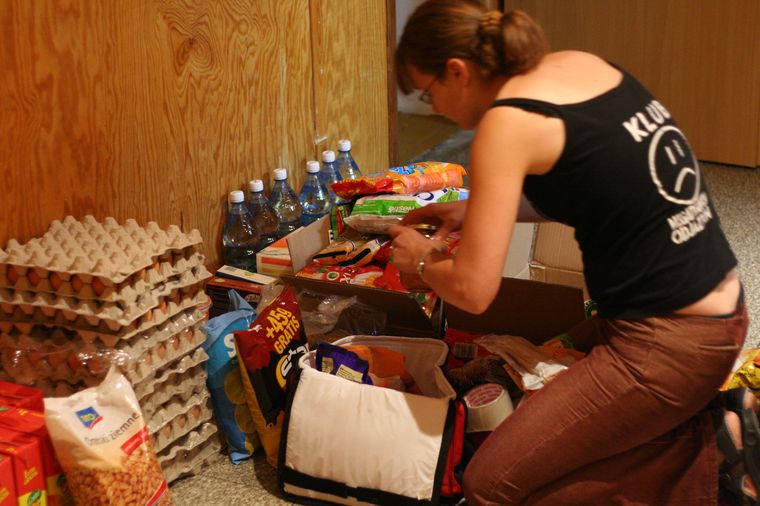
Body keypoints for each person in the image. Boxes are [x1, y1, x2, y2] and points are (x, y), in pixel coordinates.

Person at [388, 0, 752, 504]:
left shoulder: (506, 124)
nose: (435, 110)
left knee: (490, 484)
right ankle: (707, 426)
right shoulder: (580, 66)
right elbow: (585, 185)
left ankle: (716, 456)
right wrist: (475, 209)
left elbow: (473, 290)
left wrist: (422, 260)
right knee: (531, 380)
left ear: (457, 71)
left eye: (429, 94)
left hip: (668, 344)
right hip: (716, 312)